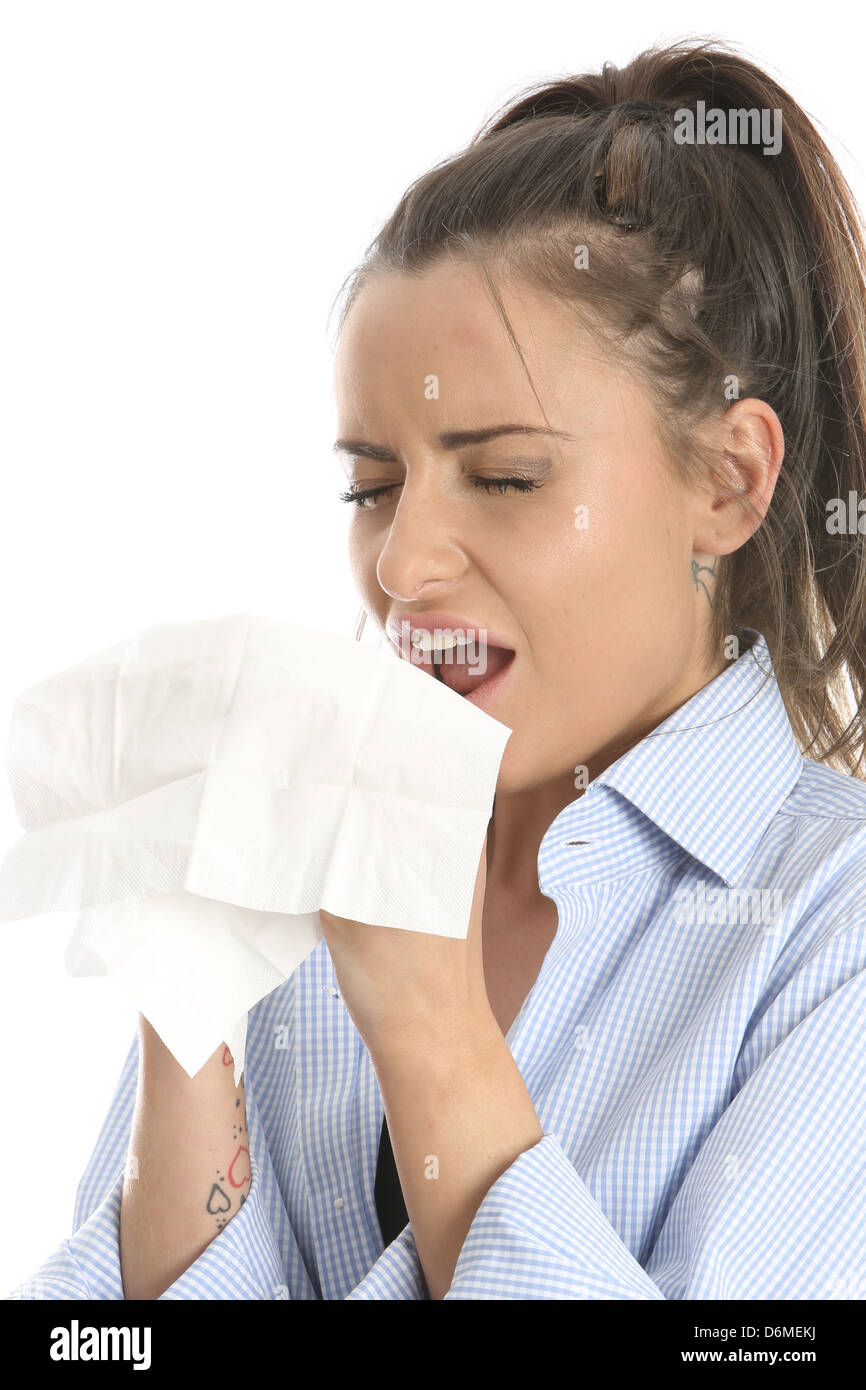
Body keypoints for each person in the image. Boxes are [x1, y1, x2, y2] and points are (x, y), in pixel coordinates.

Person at [10, 35, 866, 1300]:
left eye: (506, 477)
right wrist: (181, 998)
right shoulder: (311, 850)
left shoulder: (826, 926)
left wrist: (430, 1031)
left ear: (729, 480)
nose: (402, 565)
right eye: (371, 485)